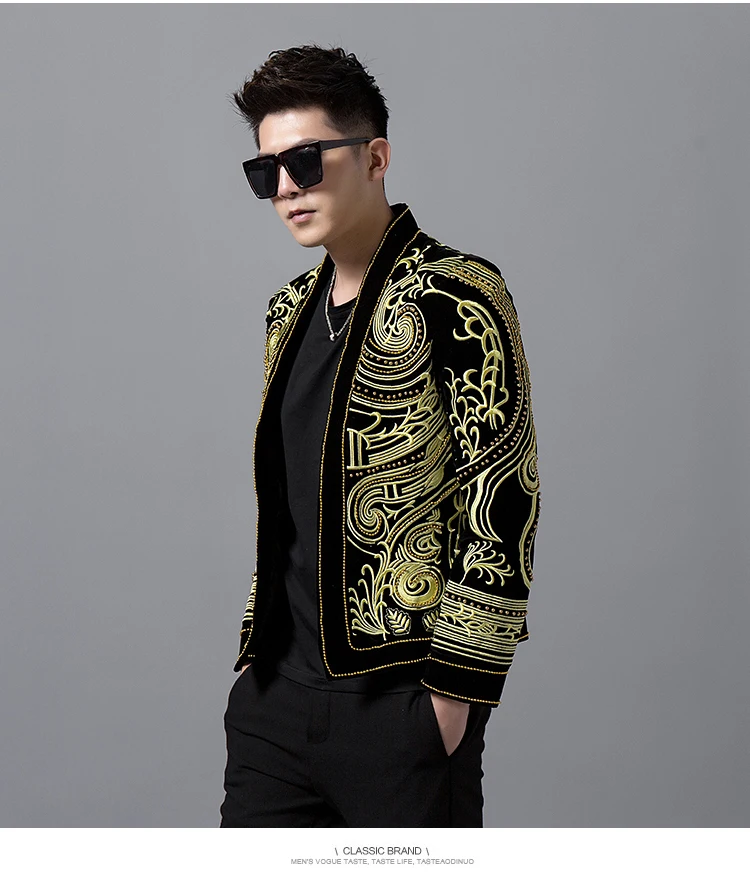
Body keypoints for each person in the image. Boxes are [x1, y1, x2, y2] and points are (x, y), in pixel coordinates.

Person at [219, 44, 541, 828]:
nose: (286, 188)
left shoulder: (457, 295)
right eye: (265, 171)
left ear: (375, 157)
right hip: (274, 706)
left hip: (401, 705)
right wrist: (254, 674)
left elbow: (503, 493)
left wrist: (452, 697)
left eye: (304, 160)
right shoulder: (287, 310)